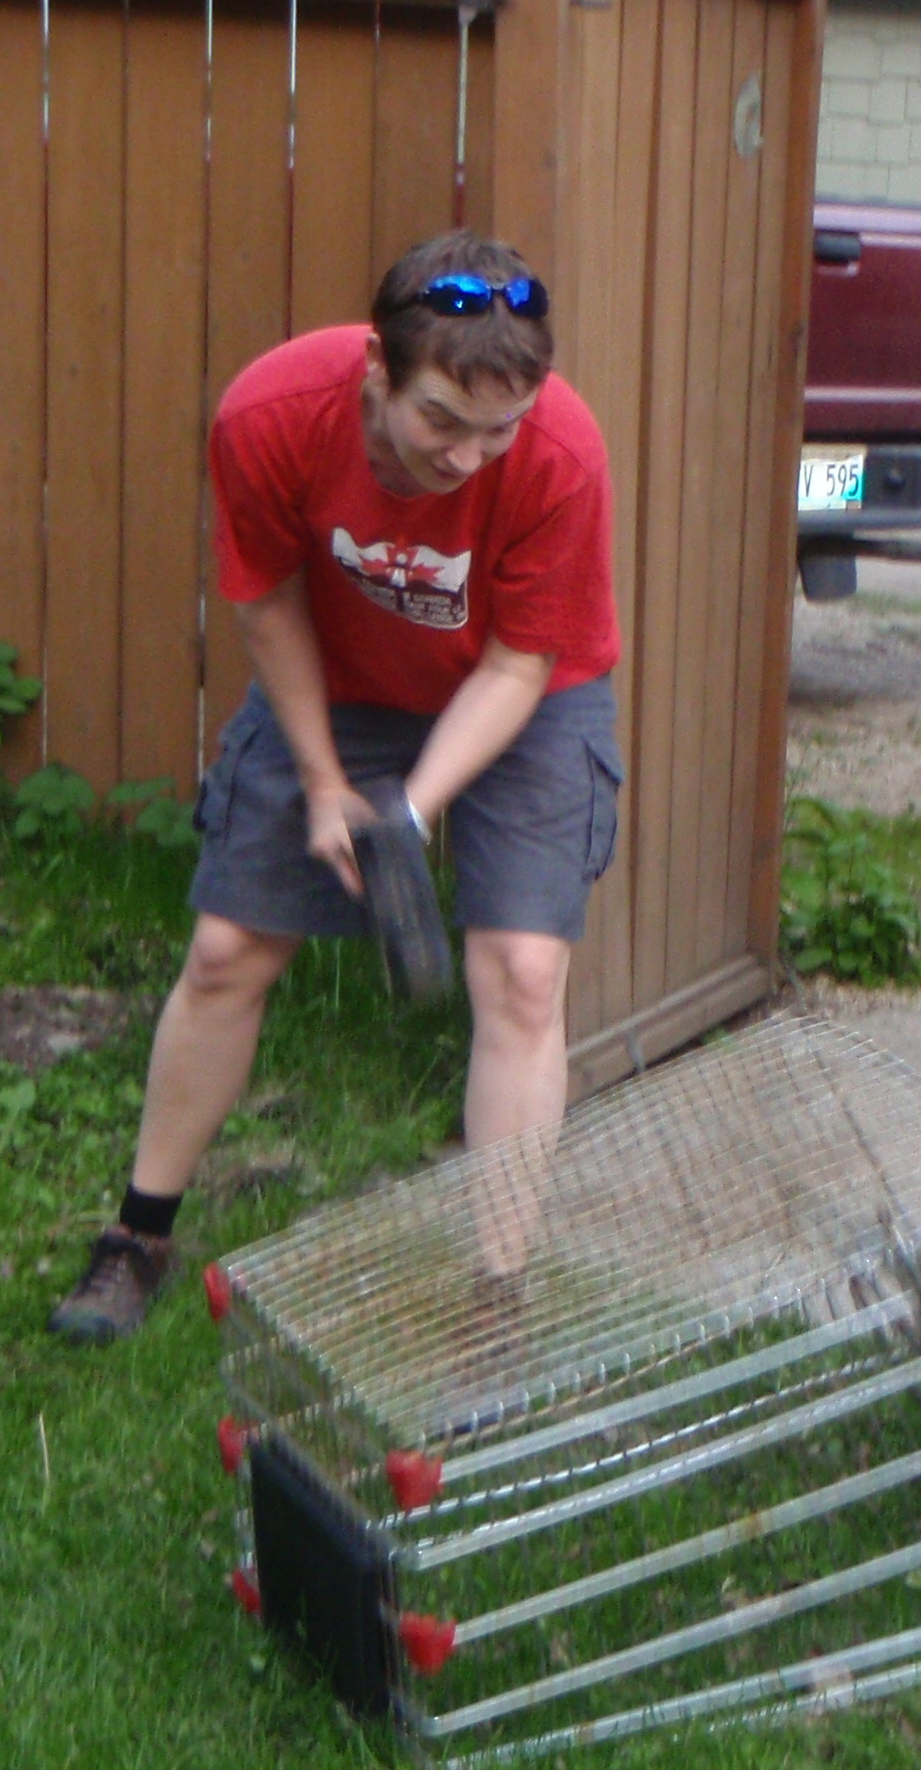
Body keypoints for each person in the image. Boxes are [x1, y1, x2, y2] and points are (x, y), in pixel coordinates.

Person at [49, 231, 621, 1345]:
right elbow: (266, 606)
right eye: (440, 422)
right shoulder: (270, 417)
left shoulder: (562, 455)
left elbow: (519, 664)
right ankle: (137, 1237)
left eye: (496, 430)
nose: (466, 458)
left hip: (525, 690)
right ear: (378, 371)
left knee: (522, 974)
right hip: (339, 680)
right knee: (225, 953)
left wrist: (408, 813)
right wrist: (323, 783)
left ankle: (494, 1304)